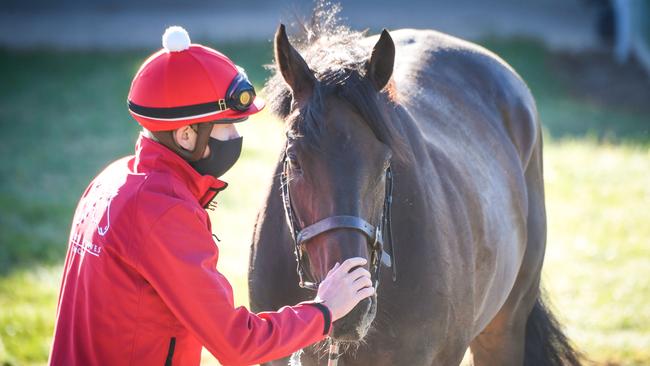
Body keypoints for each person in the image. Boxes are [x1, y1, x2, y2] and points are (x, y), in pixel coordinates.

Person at [48, 26, 374, 366]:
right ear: (187, 135)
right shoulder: (163, 212)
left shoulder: (112, 180)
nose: (236, 136)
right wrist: (324, 310)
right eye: (227, 126)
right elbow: (238, 344)